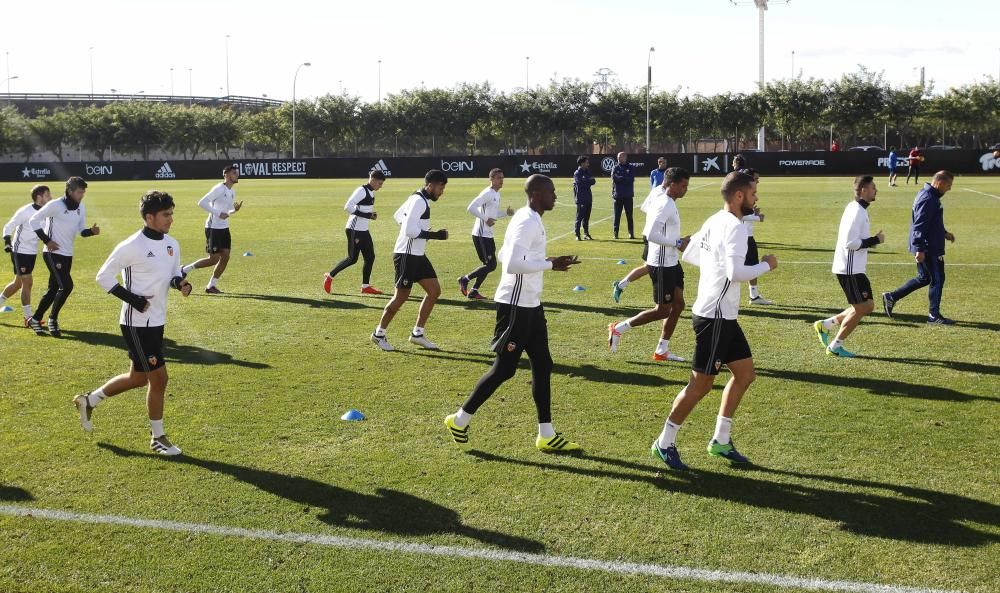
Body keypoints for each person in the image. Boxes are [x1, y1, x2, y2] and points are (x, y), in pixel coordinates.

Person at [444, 174, 582, 453]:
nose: (555, 196)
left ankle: (546, 434)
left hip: (531, 303)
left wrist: (549, 260)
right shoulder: (526, 220)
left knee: (543, 364)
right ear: (536, 194)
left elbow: (506, 254)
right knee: (504, 369)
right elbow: (512, 265)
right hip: (515, 305)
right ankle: (459, 420)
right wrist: (548, 265)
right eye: (551, 191)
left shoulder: (530, 218)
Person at [650, 171, 777, 470]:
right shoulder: (733, 227)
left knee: (745, 375)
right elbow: (736, 274)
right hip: (715, 317)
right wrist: (767, 265)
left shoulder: (715, 220)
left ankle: (721, 440)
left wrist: (715, 266)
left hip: (722, 314)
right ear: (739, 196)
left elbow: (691, 254)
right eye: (754, 192)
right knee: (701, 384)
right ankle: (664, 442)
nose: (757, 198)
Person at [75, 190, 192, 456]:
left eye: (171, 214)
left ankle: (88, 400)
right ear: (149, 217)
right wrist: (133, 300)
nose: (170, 219)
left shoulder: (172, 243)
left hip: (157, 320)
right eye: (165, 215)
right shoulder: (131, 246)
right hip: (136, 323)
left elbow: (172, 274)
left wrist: (181, 284)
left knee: (138, 378)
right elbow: (103, 277)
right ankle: (158, 438)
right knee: (159, 378)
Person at [608, 167, 691, 362]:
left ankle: (662, 350)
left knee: (678, 305)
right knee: (663, 310)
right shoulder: (665, 204)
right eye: (682, 186)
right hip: (661, 264)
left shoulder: (666, 200)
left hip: (672, 261)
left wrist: (676, 239)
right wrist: (677, 242)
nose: (685, 189)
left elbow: (648, 211)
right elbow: (650, 234)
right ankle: (618, 328)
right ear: (671, 185)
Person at [371, 170, 449, 351]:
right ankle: (378, 334)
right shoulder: (418, 201)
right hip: (406, 255)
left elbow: (398, 215)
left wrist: (418, 229)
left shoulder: (418, 198)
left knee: (434, 291)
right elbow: (409, 231)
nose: (442, 191)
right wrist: (434, 235)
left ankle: (417, 334)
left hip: (418, 254)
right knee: (401, 296)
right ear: (430, 185)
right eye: (440, 187)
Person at [814, 176, 885, 357]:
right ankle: (835, 346)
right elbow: (850, 242)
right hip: (849, 269)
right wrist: (875, 240)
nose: (876, 190)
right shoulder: (856, 212)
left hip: (855, 268)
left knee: (867, 306)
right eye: (873, 187)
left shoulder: (857, 208)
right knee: (861, 308)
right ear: (863, 190)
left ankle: (826, 324)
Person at [27, 176, 100, 337]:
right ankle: (53, 319)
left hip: (67, 254)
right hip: (52, 253)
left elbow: (81, 230)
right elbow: (33, 220)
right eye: (79, 192)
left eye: (83, 192)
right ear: (70, 191)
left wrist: (91, 232)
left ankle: (35, 319)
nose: (82, 195)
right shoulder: (55, 205)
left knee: (53, 289)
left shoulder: (81, 207)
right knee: (66, 286)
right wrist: (47, 240)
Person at [882, 170, 957, 325]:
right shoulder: (928, 198)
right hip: (928, 247)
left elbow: (930, 222)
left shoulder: (929, 195)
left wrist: (944, 233)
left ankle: (892, 297)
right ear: (940, 182)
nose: (949, 189)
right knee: (937, 279)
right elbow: (919, 225)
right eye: (948, 185)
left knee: (924, 278)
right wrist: (919, 248)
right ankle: (933, 316)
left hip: (928, 243)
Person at [181, 164, 243, 294]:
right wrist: (217, 213)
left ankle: (211, 286)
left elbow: (225, 212)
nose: (237, 175)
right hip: (213, 228)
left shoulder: (232, 191)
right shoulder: (219, 188)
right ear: (226, 175)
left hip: (224, 228)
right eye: (234, 173)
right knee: (213, 259)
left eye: (236, 173)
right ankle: (184, 270)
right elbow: (202, 202)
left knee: (225, 257)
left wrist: (234, 210)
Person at [323, 170, 386, 296]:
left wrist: (369, 215)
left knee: (370, 257)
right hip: (354, 230)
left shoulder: (370, 192)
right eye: (379, 183)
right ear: (372, 180)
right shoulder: (361, 191)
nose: (381, 186)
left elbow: (362, 210)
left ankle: (365, 286)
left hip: (363, 230)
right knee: (352, 259)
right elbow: (348, 206)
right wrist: (368, 215)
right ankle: (330, 276)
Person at [458, 168, 514, 300]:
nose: (502, 180)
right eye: (499, 178)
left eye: (502, 178)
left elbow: (492, 215)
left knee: (487, 265)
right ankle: (464, 279)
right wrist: (485, 219)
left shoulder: (496, 194)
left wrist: (506, 213)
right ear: (492, 179)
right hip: (480, 235)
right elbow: (471, 207)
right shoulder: (488, 193)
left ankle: (474, 291)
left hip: (488, 235)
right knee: (491, 265)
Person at [2, 184, 52, 327]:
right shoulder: (25, 211)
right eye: (48, 195)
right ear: (39, 197)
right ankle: (28, 317)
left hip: (31, 251)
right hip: (19, 250)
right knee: (27, 282)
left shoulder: (46, 212)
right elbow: (9, 226)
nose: (50, 197)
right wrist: (7, 242)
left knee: (18, 284)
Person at [734, 165, 774, 305]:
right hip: (743, 237)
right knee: (747, 267)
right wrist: (757, 218)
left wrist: (753, 214)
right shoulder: (741, 194)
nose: (758, 181)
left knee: (751, 265)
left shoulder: (747, 193)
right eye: (756, 179)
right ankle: (753, 296)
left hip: (747, 236)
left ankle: (754, 296)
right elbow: (736, 215)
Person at [610, 151, 636, 239]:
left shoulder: (631, 167)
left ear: (625, 157)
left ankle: (631, 233)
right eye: (618, 157)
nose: (619, 158)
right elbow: (614, 178)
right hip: (618, 195)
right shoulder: (615, 167)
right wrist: (624, 177)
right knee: (617, 216)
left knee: (629, 216)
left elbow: (631, 179)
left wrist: (621, 177)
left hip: (628, 195)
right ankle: (615, 232)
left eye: (621, 157)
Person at [572, 156, 596, 240]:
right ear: (582, 163)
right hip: (581, 198)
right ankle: (577, 234)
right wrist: (588, 181)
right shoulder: (577, 173)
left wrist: (586, 181)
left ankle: (586, 234)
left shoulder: (588, 171)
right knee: (579, 217)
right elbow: (580, 184)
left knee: (586, 217)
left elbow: (593, 181)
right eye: (586, 162)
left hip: (588, 197)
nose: (588, 164)